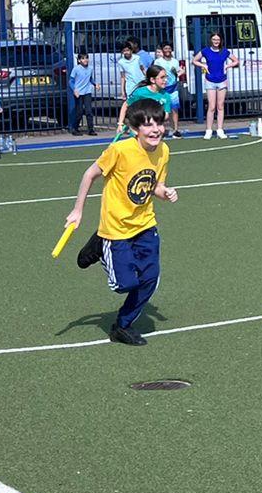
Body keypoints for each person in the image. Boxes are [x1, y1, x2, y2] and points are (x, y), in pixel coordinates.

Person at [66, 101, 178, 346]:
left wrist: (166, 192)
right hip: (116, 228)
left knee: (150, 280)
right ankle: (98, 245)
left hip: (145, 224)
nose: (156, 130)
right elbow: (90, 174)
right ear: (135, 129)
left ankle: (122, 326)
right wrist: (77, 210)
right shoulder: (120, 150)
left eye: (159, 124)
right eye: (148, 125)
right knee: (124, 284)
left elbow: (154, 185)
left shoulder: (163, 150)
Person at [195, 31, 238, 139]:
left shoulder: (224, 51)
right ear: (211, 40)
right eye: (214, 39)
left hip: (222, 81)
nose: (216, 41)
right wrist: (203, 66)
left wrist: (227, 66)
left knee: (220, 106)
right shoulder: (205, 51)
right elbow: (194, 60)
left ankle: (220, 129)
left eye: (218, 39)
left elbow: (236, 61)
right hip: (210, 81)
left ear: (220, 40)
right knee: (211, 106)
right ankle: (209, 130)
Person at [153, 42, 186, 137]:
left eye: (169, 48)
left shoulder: (175, 61)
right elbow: (155, 73)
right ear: (162, 50)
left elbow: (178, 71)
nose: (167, 50)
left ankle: (175, 129)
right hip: (162, 89)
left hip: (173, 88)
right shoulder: (158, 61)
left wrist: (181, 72)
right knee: (161, 110)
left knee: (174, 109)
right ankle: (160, 129)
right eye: (165, 48)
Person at [68, 50, 98, 136]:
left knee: (89, 111)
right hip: (79, 93)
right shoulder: (76, 69)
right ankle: (75, 128)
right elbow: (71, 81)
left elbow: (90, 79)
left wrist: (95, 84)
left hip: (87, 92)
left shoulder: (90, 68)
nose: (85, 60)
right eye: (83, 58)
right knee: (79, 112)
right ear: (79, 60)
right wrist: (74, 90)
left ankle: (91, 130)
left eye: (86, 58)